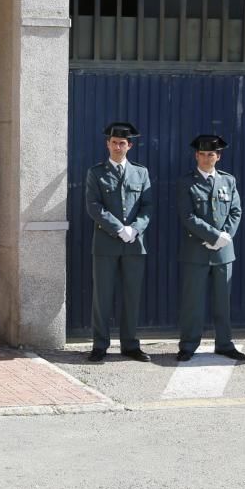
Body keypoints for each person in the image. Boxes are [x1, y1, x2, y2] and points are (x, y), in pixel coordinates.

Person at [84, 122, 153, 363]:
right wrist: (118, 228)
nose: (117, 147)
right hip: (106, 244)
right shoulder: (96, 172)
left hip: (134, 244)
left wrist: (134, 229)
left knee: (131, 296)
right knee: (102, 297)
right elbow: (93, 206)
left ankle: (130, 345)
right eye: (113, 142)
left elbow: (147, 206)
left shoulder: (141, 173)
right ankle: (100, 345)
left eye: (122, 143)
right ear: (107, 144)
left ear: (129, 146)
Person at [176, 134, 245, 362]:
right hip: (196, 251)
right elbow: (187, 216)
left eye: (211, 154)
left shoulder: (228, 181)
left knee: (222, 303)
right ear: (197, 155)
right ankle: (188, 345)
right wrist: (213, 236)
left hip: (223, 253)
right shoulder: (186, 182)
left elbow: (235, 211)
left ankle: (224, 344)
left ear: (218, 156)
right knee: (192, 302)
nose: (207, 158)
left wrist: (225, 237)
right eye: (203, 154)